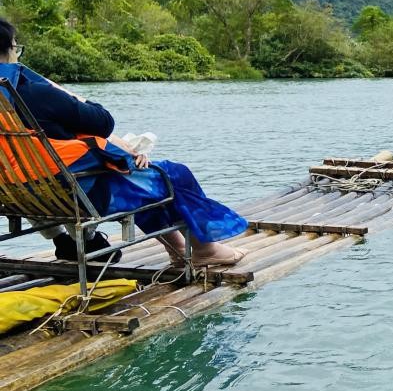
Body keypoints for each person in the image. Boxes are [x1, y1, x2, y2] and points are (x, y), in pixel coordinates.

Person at [0, 19, 247, 268]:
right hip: (80, 194)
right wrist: (68, 94)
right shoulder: (36, 93)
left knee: (140, 178)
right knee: (172, 174)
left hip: (24, 196)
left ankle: (178, 250)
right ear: (9, 50)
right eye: (15, 47)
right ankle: (205, 250)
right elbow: (103, 121)